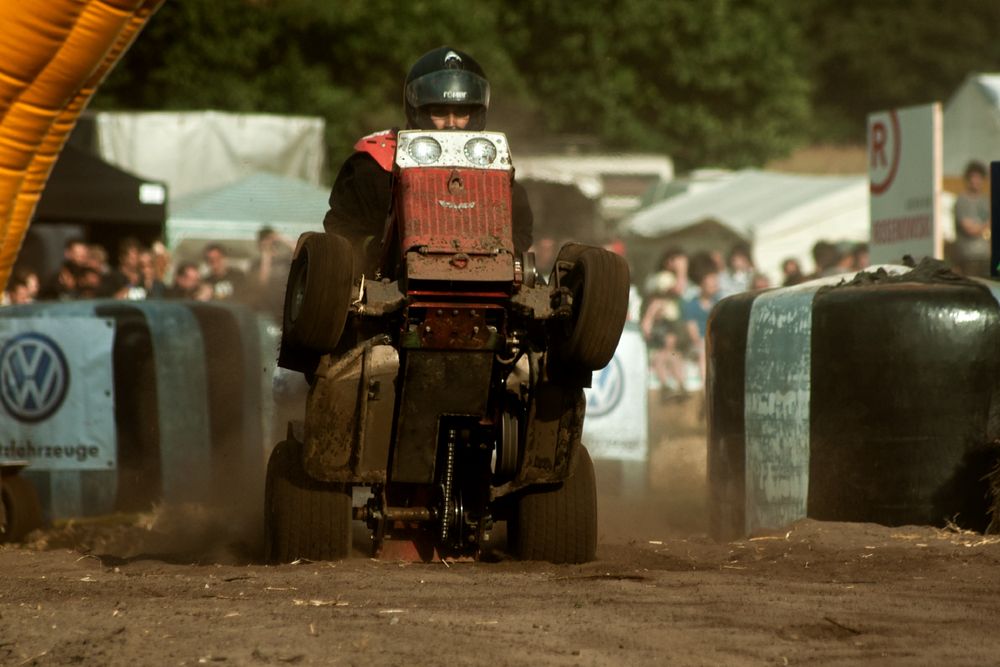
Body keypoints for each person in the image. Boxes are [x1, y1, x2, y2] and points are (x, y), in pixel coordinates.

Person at [322, 46, 533, 274]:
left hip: (482, 273)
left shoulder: (493, 171)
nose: (451, 123)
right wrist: (375, 251)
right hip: (388, 276)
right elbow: (341, 229)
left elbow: (521, 230)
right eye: (440, 113)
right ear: (417, 111)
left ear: (477, 114)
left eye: (461, 113)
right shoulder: (375, 165)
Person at [953, 160, 991, 278]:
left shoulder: (985, 200)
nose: (976, 181)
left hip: (985, 256)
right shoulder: (962, 200)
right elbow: (970, 229)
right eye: (973, 177)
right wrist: (987, 225)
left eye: (979, 177)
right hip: (968, 257)